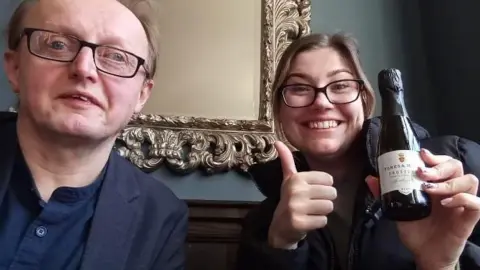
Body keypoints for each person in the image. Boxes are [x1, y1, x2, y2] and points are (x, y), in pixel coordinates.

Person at [235, 32, 480, 270]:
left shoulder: (459, 164)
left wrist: (440, 265)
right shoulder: (263, 224)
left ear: (364, 100)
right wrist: (281, 246)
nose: (322, 102)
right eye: (299, 88)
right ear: (279, 110)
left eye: (340, 85)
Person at [0, 0, 187, 269]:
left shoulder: (161, 218)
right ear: (15, 68)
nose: (84, 69)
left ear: (142, 94)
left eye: (116, 56)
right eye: (57, 44)